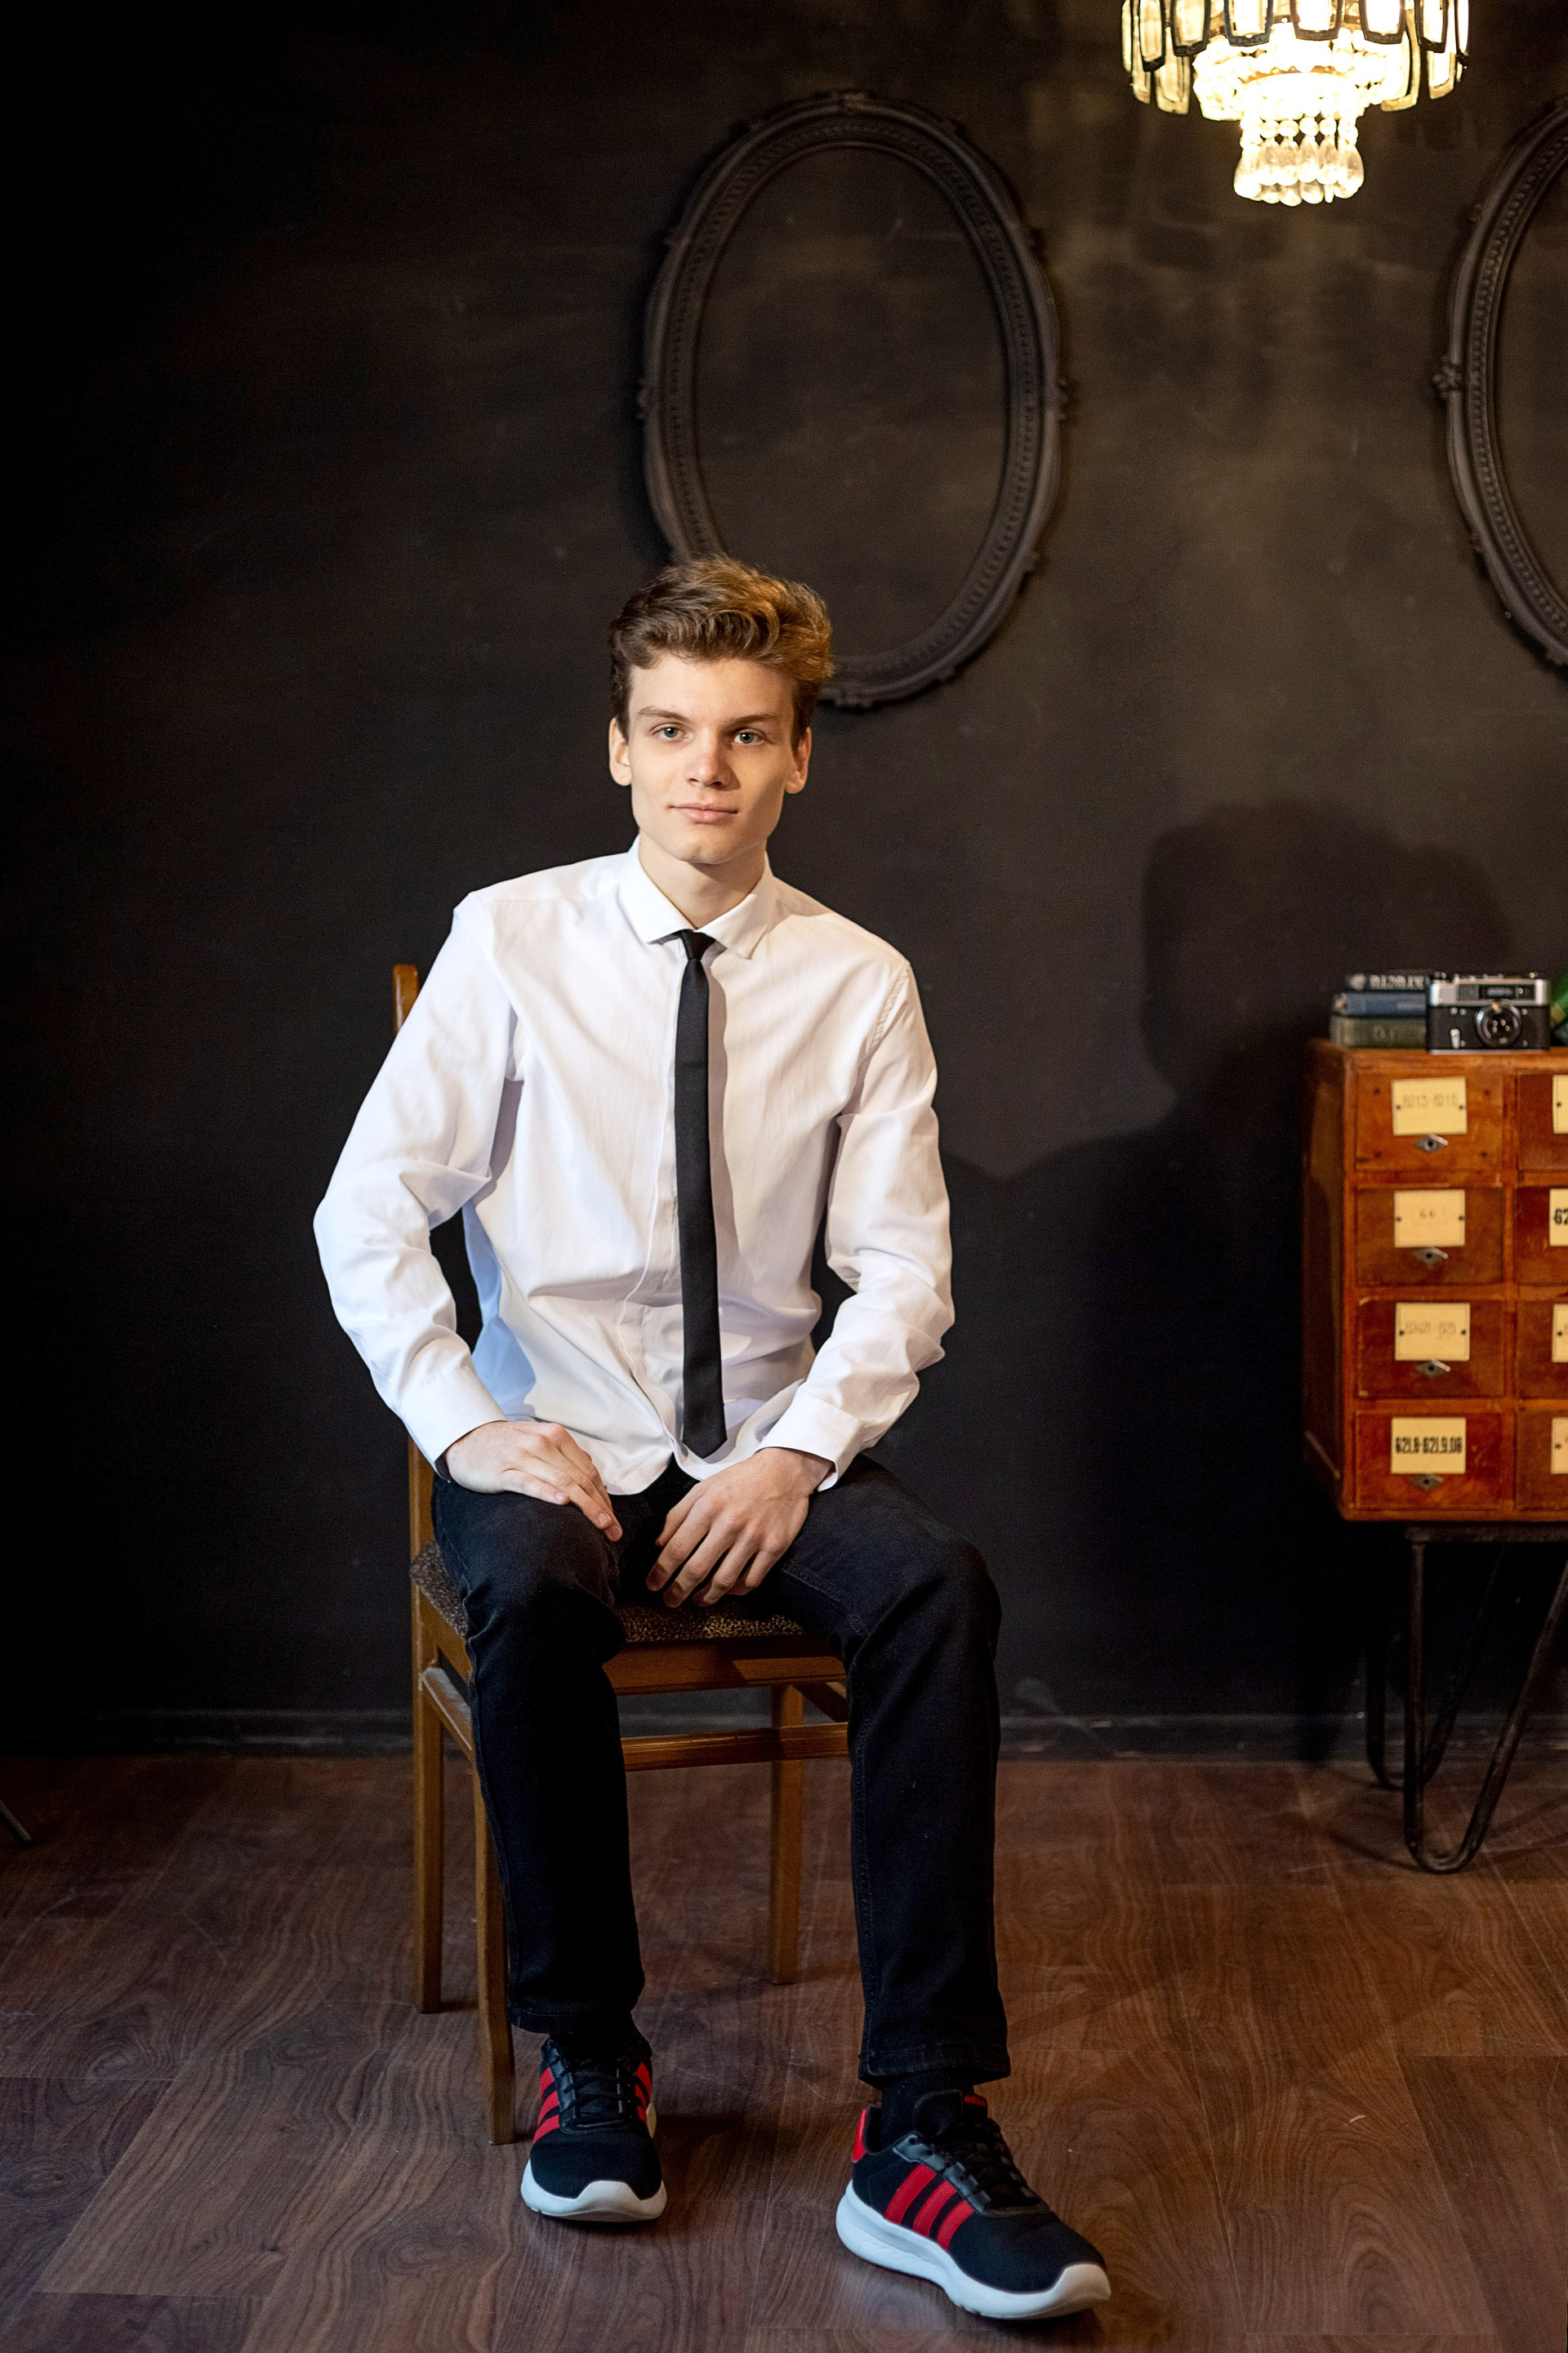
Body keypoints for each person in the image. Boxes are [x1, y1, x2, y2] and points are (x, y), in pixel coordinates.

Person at [314, 558, 1110, 2324]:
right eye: (671, 730)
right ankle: (589, 2054)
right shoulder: (509, 941)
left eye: (748, 736)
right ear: (618, 745)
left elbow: (905, 1271)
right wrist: (467, 1423)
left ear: (800, 757)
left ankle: (922, 2125)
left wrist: (797, 1454)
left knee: (938, 1590)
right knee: (528, 1588)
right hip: (556, 1435)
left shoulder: (859, 980)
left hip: (760, 1437)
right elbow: (366, 1214)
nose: (707, 768)